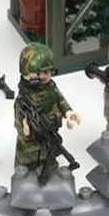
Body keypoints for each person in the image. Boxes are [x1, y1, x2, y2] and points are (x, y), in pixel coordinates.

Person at [14, 42, 79, 170]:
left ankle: (48, 166)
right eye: (43, 72)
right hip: (31, 139)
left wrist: (69, 113)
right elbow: (18, 116)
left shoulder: (51, 88)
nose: (47, 76)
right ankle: (26, 169)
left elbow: (61, 101)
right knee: (28, 156)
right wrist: (24, 125)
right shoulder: (24, 98)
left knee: (49, 152)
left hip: (49, 130)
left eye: (49, 72)